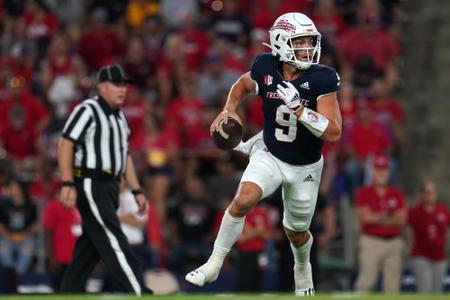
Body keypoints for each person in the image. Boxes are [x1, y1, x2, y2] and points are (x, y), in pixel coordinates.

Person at [185, 12, 342, 296]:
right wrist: (229, 108)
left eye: (310, 41)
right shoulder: (265, 65)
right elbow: (243, 85)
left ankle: (302, 267)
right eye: (300, 42)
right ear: (281, 43)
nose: (308, 48)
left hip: (305, 165)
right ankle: (214, 262)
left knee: (296, 232)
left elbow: (333, 133)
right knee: (243, 199)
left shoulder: (323, 78)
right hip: (269, 152)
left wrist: (301, 110)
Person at [58, 64, 152, 295]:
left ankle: (70, 293)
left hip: (111, 186)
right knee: (112, 237)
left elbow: (124, 155)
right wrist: (68, 182)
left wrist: (137, 190)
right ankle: (138, 290)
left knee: (89, 246)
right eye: (116, 84)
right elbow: (65, 143)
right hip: (91, 182)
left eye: (124, 85)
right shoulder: (88, 110)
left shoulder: (120, 117)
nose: (122, 89)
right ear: (102, 87)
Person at [354, 155, 407, 293]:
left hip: (393, 242)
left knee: (392, 286)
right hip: (371, 241)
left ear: (389, 172)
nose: (381, 173)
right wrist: (389, 216)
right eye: (378, 169)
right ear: (373, 171)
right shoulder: (364, 192)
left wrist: (377, 217)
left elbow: (401, 220)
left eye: (384, 169)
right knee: (366, 282)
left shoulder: (396, 194)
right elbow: (366, 218)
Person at [407, 180, 450, 293]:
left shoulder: (443, 210)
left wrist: (446, 236)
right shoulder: (414, 211)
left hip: (439, 256)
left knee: (437, 291)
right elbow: (402, 226)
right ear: (422, 194)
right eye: (426, 192)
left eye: (432, 192)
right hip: (421, 255)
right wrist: (408, 241)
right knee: (425, 289)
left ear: (436, 194)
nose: (429, 195)